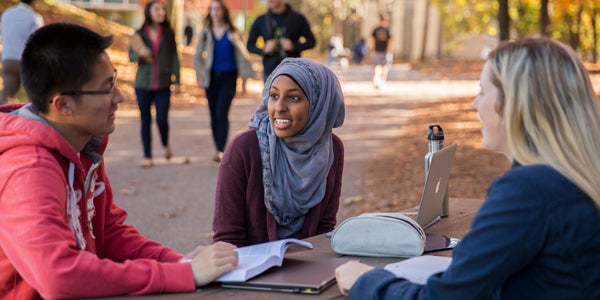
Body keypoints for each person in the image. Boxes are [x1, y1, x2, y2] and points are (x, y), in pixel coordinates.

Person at [335, 37, 600, 299]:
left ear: (516, 104)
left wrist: (366, 280)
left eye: (483, 91)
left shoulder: (529, 191)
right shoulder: (576, 175)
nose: (474, 104)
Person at [0, 23, 238, 299]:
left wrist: (180, 263)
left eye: (115, 81)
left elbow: (109, 233)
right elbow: (59, 275)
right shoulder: (28, 170)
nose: (119, 97)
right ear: (63, 105)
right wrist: (183, 275)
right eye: (107, 88)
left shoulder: (81, 146)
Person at [212, 58, 345, 247]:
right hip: (248, 271)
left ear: (319, 105)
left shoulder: (332, 148)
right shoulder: (243, 149)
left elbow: (324, 228)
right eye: (274, 96)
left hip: (308, 269)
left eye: (294, 98)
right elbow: (227, 239)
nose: (279, 107)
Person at [193, 0, 255, 163]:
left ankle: (221, 149)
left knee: (222, 112)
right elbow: (197, 56)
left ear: (224, 12)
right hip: (211, 77)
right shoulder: (205, 33)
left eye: (218, 9)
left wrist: (244, 81)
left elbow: (242, 58)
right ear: (210, 12)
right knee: (213, 114)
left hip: (229, 77)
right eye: (213, 9)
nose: (215, 12)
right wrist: (199, 76)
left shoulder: (233, 32)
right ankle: (217, 147)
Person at [129, 0, 180, 168]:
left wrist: (177, 81)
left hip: (163, 84)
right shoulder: (138, 34)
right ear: (149, 12)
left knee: (162, 119)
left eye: (163, 10)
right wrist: (141, 54)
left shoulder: (168, 33)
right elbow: (131, 56)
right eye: (157, 9)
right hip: (143, 84)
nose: (161, 13)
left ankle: (165, 144)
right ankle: (147, 155)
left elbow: (174, 58)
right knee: (145, 120)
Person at [246, 0, 316, 82]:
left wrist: (294, 46)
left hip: (293, 72)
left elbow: (312, 41)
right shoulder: (261, 20)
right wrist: (263, 50)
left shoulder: (298, 18)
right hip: (270, 73)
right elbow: (249, 45)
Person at [0, 0, 43, 104]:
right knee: (33, 94)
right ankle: (30, 118)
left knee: (6, 92)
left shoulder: (7, 14)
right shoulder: (34, 17)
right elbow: (37, 41)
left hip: (8, 59)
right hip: (25, 61)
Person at [370, 14, 392, 89]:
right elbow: (390, 41)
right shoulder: (387, 30)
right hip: (383, 51)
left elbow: (372, 40)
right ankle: (381, 81)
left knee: (378, 66)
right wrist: (390, 50)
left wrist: (372, 48)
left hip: (378, 50)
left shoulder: (376, 30)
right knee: (384, 66)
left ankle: (376, 80)